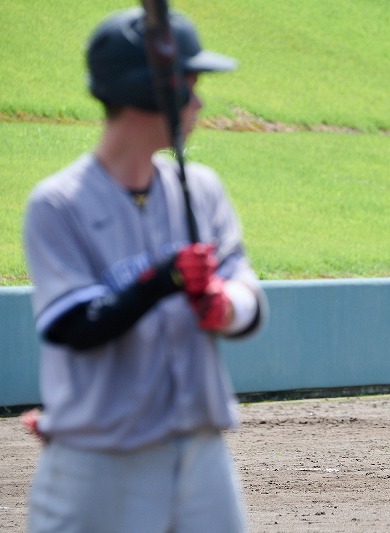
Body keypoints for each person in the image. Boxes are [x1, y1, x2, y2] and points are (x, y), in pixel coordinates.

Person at [22, 7, 266, 532]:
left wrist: (223, 304)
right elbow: (74, 324)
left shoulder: (201, 189)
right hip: (101, 459)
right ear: (153, 91)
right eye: (191, 84)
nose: (199, 102)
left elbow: (245, 289)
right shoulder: (59, 203)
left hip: (202, 451)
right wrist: (163, 278)